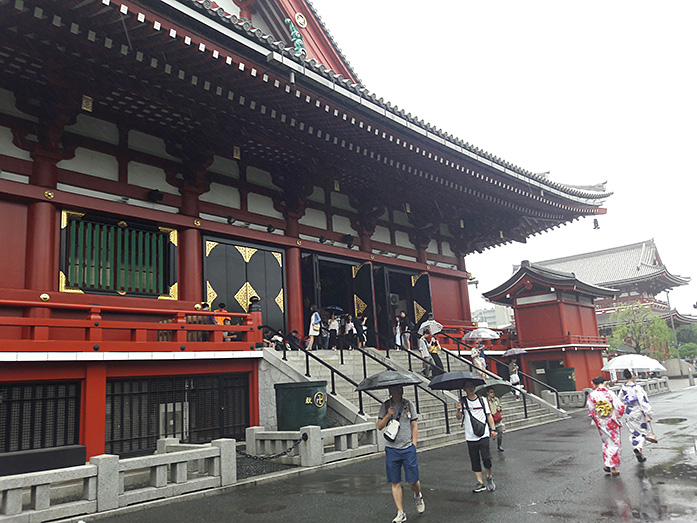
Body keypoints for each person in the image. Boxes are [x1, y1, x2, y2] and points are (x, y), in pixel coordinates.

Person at [377, 385, 425, 523]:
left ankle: (417, 494)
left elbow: (414, 425)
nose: (399, 390)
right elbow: (379, 426)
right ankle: (400, 512)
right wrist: (388, 415)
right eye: (396, 388)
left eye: (400, 388)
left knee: (413, 481)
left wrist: (414, 445)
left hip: (407, 447)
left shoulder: (409, 404)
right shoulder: (386, 405)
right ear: (390, 391)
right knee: (395, 482)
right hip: (392, 449)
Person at [456, 380, 497, 492]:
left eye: (472, 386)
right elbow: (458, 417)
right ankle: (480, 482)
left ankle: (489, 477)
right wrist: (458, 409)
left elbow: (489, 416)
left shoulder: (482, 400)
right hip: (470, 435)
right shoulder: (463, 401)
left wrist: (493, 429)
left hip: (483, 433)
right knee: (475, 459)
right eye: (468, 387)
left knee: (486, 458)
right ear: (464, 389)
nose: (470, 388)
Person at [587, 375, 625, 476]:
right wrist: (616, 417)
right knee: (615, 443)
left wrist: (597, 420)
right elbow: (620, 407)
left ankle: (607, 464)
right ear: (604, 383)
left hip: (600, 421)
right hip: (611, 421)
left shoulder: (592, 395)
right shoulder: (610, 393)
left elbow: (591, 411)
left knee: (606, 443)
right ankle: (613, 467)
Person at [619, 369, 654, 462]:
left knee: (633, 432)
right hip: (638, 411)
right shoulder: (637, 388)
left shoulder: (623, 388)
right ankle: (638, 448)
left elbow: (620, 400)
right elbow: (643, 401)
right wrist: (647, 413)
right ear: (633, 375)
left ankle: (639, 452)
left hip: (628, 412)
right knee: (643, 432)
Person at [486, 387, 505, 451]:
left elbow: (500, 407)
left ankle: (499, 446)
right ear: (488, 393)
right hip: (490, 420)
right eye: (491, 392)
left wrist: (499, 409)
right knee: (488, 435)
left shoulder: (496, 399)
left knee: (500, 433)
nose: (492, 394)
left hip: (497, 419)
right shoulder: (486, 400)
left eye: (493, 392)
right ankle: (487, 447)